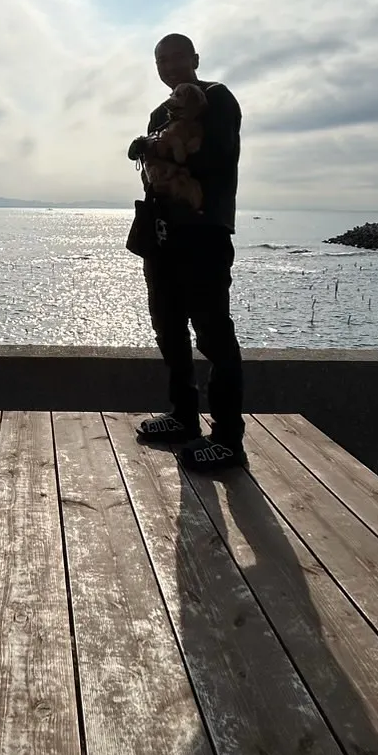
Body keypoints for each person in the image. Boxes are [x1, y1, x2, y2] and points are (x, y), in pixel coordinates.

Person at [128, 33, 247, 469]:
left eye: (177, 57)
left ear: (195, 59)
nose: (170, 65)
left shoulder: (218, 98)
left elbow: (218, 157)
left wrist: (159, 150)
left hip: (205, 233)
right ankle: (183, 417)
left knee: (214, 334)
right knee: (168, 327)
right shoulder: (159, 112)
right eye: (161, 60)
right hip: (163, 235)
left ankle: (228, 439)